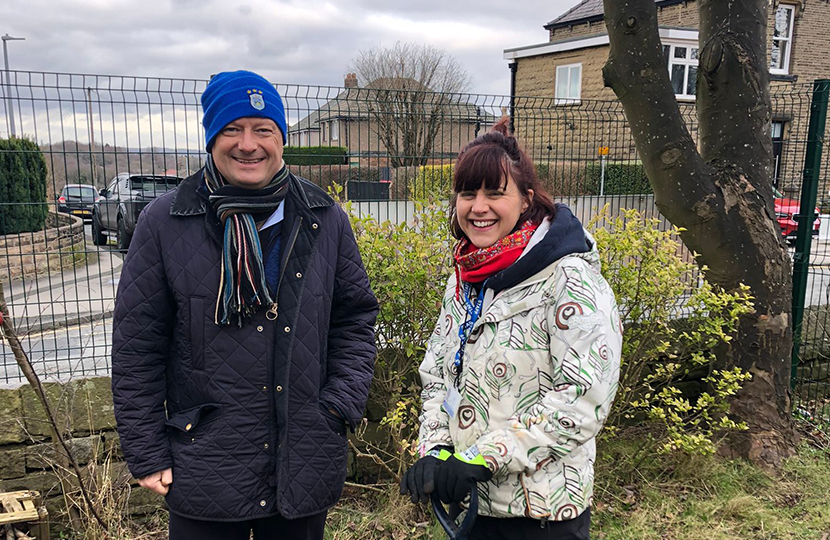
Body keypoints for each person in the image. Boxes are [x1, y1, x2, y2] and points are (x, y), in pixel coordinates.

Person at [111, 70, 378, 540]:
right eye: (232, 128)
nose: (248, 144)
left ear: (281, 139)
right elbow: (137, 346)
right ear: (212, 137)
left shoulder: (324, 218)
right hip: (204, 463)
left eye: (263, 130)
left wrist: (337, 407)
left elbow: (354, 321)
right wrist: (147, 450)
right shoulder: (166, 222)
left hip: (302, 458)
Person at [400, 118, 622, 539]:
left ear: (526, 201)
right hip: (473, 509)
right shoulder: (464, 280)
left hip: (542, 516)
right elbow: (437, 375)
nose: (477, 207)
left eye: (494, 193)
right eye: (467, 193)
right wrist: (436, 449)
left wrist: (483, 458)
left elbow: (581, 401)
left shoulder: (570, 280)